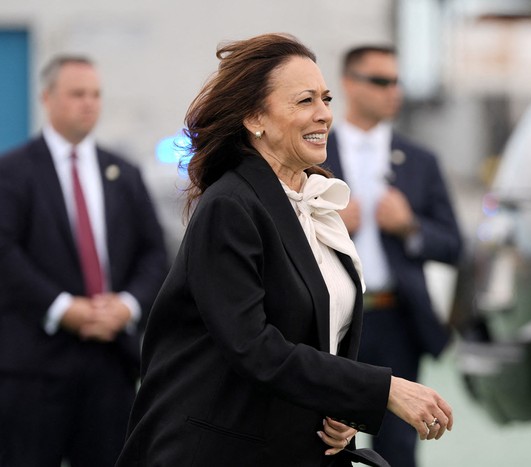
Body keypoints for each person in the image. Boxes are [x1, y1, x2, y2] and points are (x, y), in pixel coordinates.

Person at [116, 33, 453, 467]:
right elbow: (254, 347)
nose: (324, 115)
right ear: (256, 117)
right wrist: (384, 389)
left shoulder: (311, 201)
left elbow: (315, 333)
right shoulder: (231, 206)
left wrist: (340, 408)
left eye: (326, 98)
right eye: (305, 101)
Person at [0, 56, 169, 466]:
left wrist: (126, 306)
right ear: (47, 98)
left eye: (95, 94)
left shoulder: (122, 173)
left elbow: (155, 252)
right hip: (35, 367)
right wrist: (63, 308)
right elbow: (5, 254)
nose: (89, 103)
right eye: (77, 94)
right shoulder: (13, 172)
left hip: (111, 363)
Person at [322, 45, 464, 467]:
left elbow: (454, 244)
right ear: (349, 83)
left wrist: (410, 226)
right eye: (380, 81)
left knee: (399, 446)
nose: (393, 91)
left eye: (397, 81)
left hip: (395, 318)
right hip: (332, 320)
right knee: (328, 439)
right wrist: (327, 225)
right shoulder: (315, 153)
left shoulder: (420, 160)